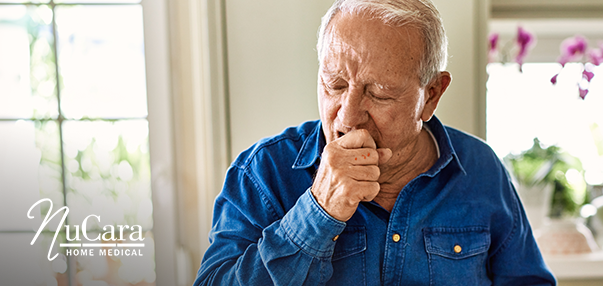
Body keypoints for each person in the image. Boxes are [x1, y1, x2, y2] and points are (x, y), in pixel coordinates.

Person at [193, 0, 556, 285]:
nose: (348, 116)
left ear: (431, 95)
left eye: (379, 94)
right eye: (334, 85)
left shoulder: (481, 170)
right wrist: (318, 213)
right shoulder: (262, 173)